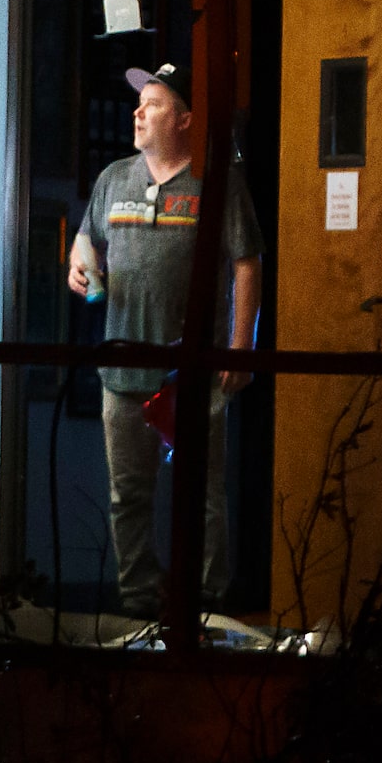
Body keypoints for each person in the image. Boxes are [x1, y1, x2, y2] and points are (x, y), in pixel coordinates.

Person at [66, 60, 264, 622]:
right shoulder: (113, 179)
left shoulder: (216, 181)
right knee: (128, 500)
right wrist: (79, 266)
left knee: (202, 499)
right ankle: (137, 607)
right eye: (139, 102)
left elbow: (247, 262)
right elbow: (85, 240)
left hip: (191, 374)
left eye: (152, 103)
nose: (137, 111)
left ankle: (204, 607)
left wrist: (240, 348)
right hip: (122, 371)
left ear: (184, 119)